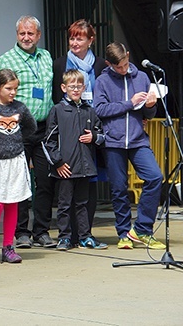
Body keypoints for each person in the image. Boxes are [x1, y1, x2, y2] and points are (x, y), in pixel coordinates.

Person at [93, 42, 166, 250]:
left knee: (154, 177)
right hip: (113, 142)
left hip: (137, 139)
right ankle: (124, 233)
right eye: (118, 67)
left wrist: (151, 106)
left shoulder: (142, 77)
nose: (123, 69)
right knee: (119, 189)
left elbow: (147, 114)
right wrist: (129, 103)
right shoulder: (102, 81)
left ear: (128, 55)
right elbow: (99, 110)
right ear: (109, 64)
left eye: (125, 64)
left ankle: (142, 230)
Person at [0, 15, 56, 249]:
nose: (26, 38)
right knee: (19, 181)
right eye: (22, 33)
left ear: (38, 35)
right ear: (17, 35)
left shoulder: (46, 57)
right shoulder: (5, 60)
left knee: (45, 180)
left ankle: (42, 230)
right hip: (16, 129)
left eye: (31, 33)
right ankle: (21, 232)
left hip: (43, 128)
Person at [52, 19, 107, 248]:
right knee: (65, 196)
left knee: (88, 188)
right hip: (68, 135)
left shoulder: (101, 66)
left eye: (80, 38)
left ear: (90, 40)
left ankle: (85, 233)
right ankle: (67, 234)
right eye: (72, 38)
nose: (75, 42)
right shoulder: (60, 64)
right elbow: (56, 98)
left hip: (91, 130)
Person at [0, 69, 36, 265]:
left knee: (13, 203)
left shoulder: (19, 107)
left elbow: (31, 127)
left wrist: (17, 142)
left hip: (16, 160)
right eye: (9, 88)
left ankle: (8, 247)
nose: (13, 92)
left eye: (15, 89)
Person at [44, 69, 105, 251]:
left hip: (85, 167)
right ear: (64, 87)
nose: (76, 89)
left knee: (83, 204)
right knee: (64, 205)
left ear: (84, 87)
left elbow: (102, 135)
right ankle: (64, 237)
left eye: (79, 86)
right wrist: (58, 163)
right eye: (72, 86)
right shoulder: (57, 110)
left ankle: (85, 236)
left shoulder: (89, 111)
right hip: (66, 168)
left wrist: (93, 137)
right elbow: (48, 141)